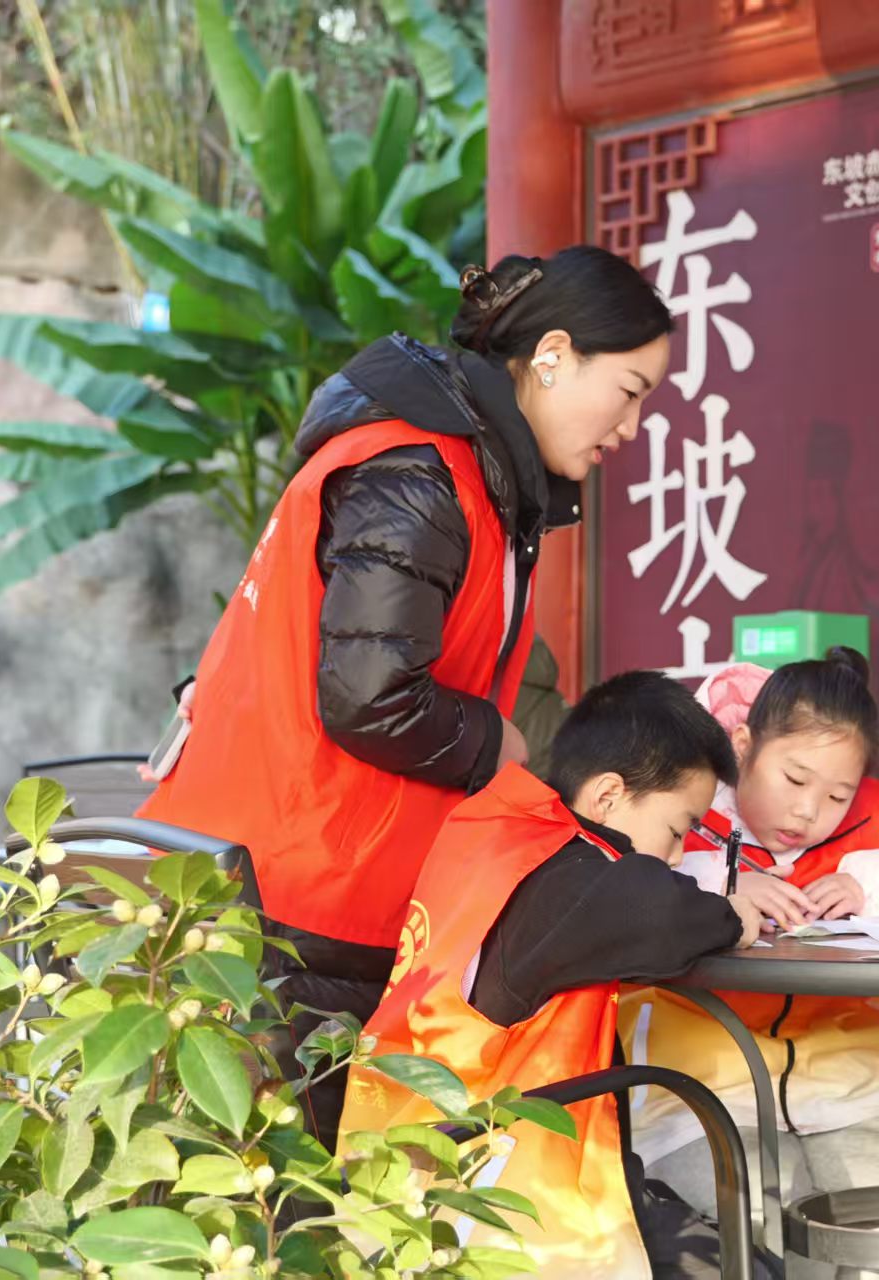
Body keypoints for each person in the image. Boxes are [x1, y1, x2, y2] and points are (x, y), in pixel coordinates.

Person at [137, 247, 672, 1146]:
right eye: (629, 391)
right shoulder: (419, 473)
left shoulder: (459, 470)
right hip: (287, 904)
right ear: (551, 356)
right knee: (270, 1198)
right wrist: (495, 742)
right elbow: (369, 695)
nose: (631, 426)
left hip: (303, 888)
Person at [340, 671, 771, 1279]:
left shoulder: (504, 833)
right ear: (607, 796)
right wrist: (732, 916)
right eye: (677, 831)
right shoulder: (566, 880)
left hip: (404, 1161)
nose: (677, 856)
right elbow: (658, 912)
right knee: (748, 1266)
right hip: (488, 1193)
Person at [627, 649, 879, 1225]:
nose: (809, 810)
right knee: (761, 1226)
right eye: (794, 779)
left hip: (852, 1097)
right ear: (743, 745)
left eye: (838, 796)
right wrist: (721, 884)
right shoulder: (688, 801)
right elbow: (622, 875)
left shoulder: (875, 819)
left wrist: (866, 882)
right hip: (702, 1101)